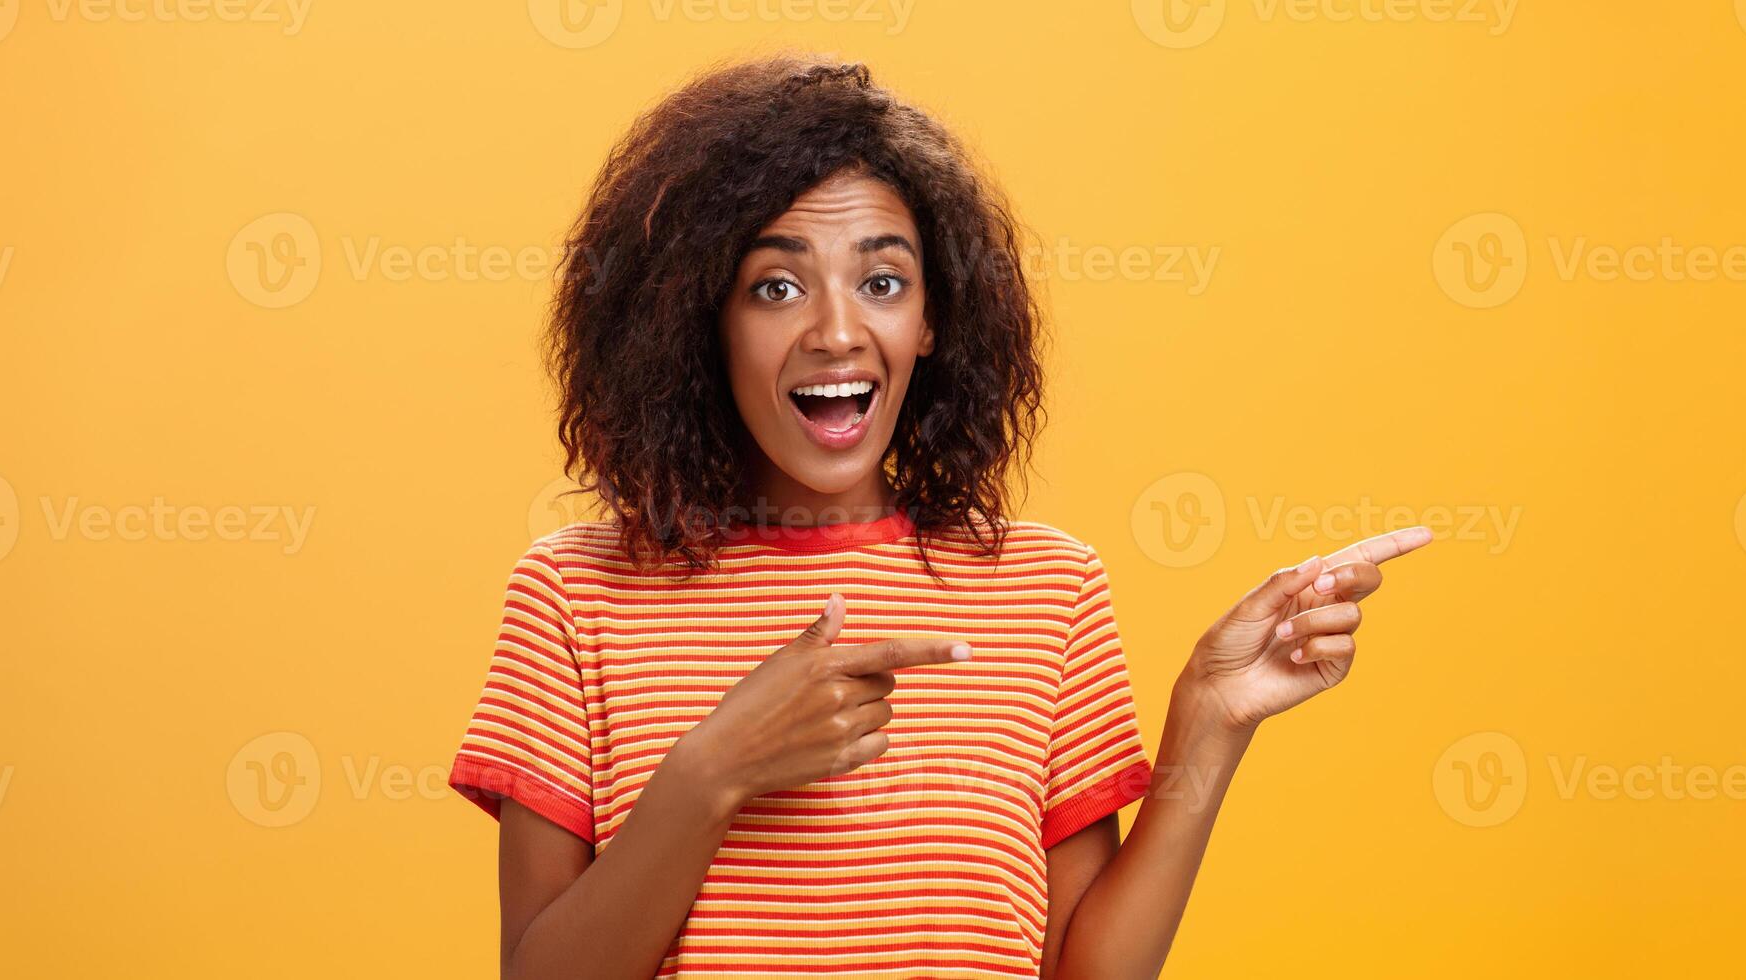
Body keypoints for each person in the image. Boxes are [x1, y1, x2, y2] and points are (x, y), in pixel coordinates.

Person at [449, 54, 1432, 979]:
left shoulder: (1046, 588)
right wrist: (712, 771)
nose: (837, 330)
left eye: (881, 281)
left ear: (929, 320)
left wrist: (1207, 723)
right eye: (775, 285)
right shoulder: (575, 593)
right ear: (699, 316)